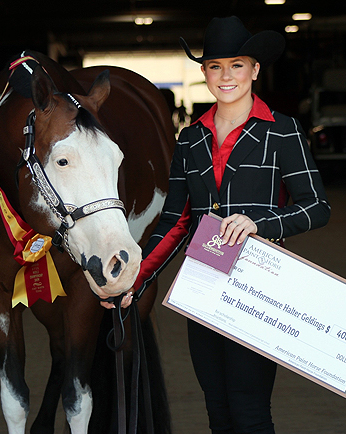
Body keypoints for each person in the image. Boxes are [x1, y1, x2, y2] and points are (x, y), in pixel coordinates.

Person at [103, 15, 331, 434]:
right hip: (203, 287)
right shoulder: (190, 138)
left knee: (249, 410)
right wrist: (133, 284)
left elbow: (317, 207)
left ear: (255, 69)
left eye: (237, 65)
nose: (226, 76)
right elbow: (174, 223)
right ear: (204, 72)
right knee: (218, 411)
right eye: (214, 66)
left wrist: (260, 223)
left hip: (258, 290)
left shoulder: (283, 132)